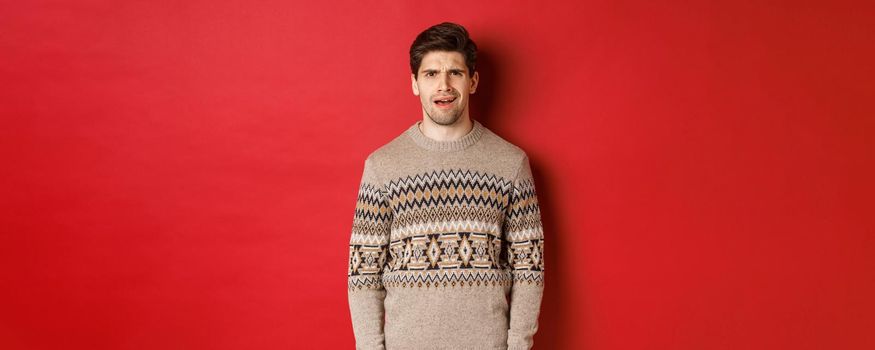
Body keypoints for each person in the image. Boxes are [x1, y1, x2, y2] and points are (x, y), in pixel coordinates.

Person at [347, 22, 545, 350]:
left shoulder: (511, 164)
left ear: (473, 81)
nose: (444, 85)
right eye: (430, 74)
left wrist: (518, 346)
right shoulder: (382, 167)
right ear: (414, 84)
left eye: (455, 72)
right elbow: (363, 273)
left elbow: (530, 267)